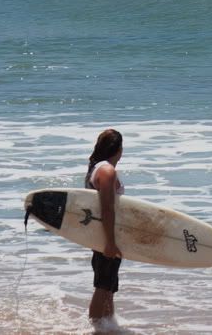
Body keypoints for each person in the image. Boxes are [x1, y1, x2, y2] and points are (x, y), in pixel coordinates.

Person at [85, 129, 125, 329]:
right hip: (106, 236)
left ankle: (109, 326)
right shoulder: (107, 171)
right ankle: (96, 329)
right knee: (102, 287)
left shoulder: (96, 167)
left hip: (103, 235)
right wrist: (109, 242)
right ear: (119, 149)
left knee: (108, 286)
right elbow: (107, 209)